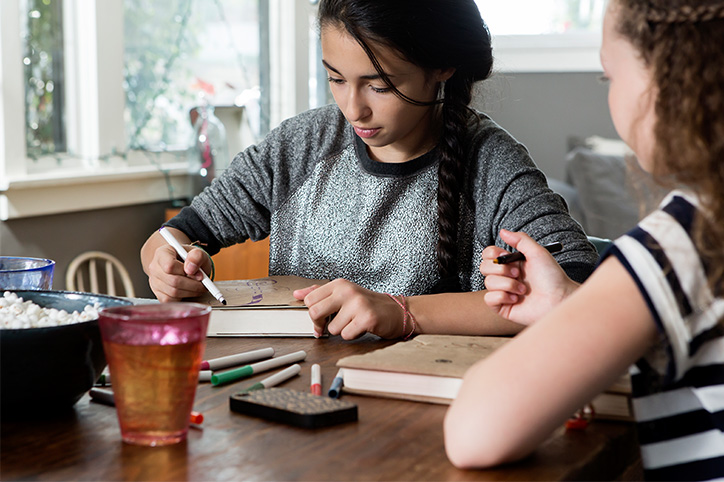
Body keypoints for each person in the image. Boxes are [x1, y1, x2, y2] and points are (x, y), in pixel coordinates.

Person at [140, 0, 598, 340]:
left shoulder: (492, 163)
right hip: (293, 394)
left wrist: (402, 313)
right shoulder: (299, 146)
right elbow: (175, 236)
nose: (352, 109)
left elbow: (570, 291)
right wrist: (166, 264)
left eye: (379, 86)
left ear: (441, 67)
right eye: (336, 79)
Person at [444, 1, 724, 479]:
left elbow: (474, 431)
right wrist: (573, 304)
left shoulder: (689, 240)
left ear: (670, 80)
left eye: (608, 77)